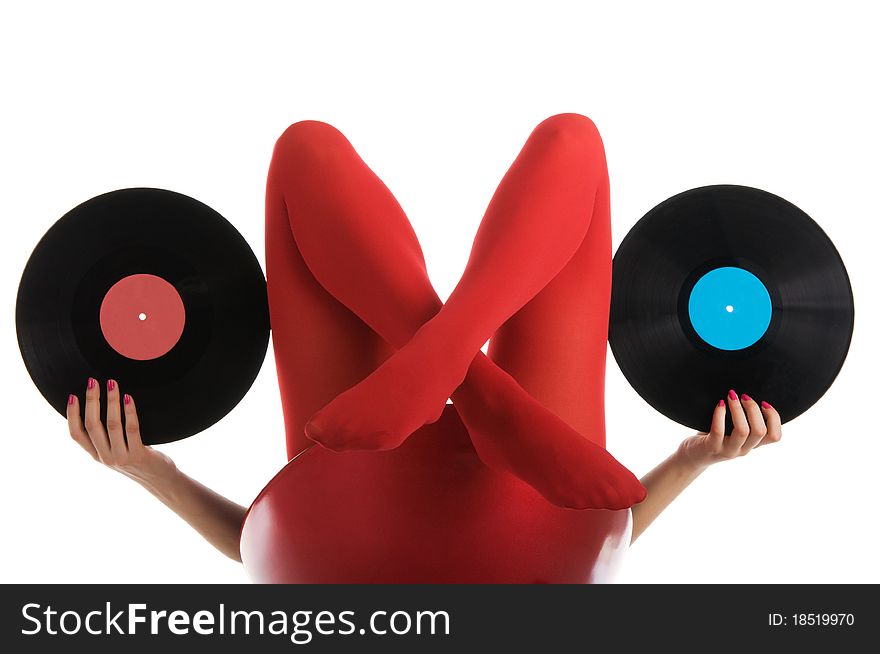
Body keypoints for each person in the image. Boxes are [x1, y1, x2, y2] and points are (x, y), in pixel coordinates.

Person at [65, 114, 782, 568]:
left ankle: (449, 363)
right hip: (525, 517)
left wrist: (152, 474)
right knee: (570, 143)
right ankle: (462, 372)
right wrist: (693, 461)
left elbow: (274, 557)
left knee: (309, 151)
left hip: (354, 517)